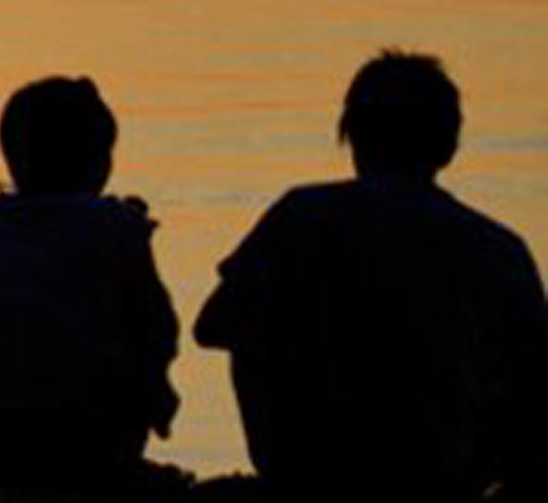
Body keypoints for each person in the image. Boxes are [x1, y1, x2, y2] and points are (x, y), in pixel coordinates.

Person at [196, 50, 548, 501]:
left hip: (306, 469)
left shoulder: (299, 217)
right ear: (449, 143)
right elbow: (536, 385)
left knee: (252, 323)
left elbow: (213, 327)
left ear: (352, 136)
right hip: (444, 476)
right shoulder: (499, 250)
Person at [0, 76, 179, 486]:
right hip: (92, 437)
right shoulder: (117, 225)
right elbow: (157, 322)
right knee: (138, 339)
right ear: (98, 162)